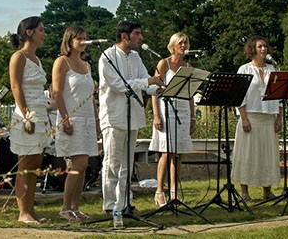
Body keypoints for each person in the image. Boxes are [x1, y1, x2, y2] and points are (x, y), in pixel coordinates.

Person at [98, 21, 164, 214]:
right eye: (137, 33)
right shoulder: (107, 56)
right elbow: (118, 85)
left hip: (133, 116)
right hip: (113, 116)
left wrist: (159, 88)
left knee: (127, 164)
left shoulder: (136, 57)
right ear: (124, 36)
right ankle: (110, 206)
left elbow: (145, 83)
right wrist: (147, 82)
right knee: (112, 162)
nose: (141, 37)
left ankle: (125, 203)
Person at [52, 26, 100, 222]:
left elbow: (90, 97)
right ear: (69, 40)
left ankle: (75, 207)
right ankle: (65, 207)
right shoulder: (61, 62)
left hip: (88, 118)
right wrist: (65, 118)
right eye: (79, 38)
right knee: (78, 163)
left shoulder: (87, 65)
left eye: (84, 38)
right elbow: (57, 92)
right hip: (71, 118)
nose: (82, 41)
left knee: (85, 163)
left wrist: (96, 119)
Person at [9, 16, 52, 223]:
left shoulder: (37, 59)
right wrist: (26, 114)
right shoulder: (19, 57)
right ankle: (22, 212)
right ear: (29, 32)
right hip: (26, 114)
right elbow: (16, 86)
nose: (44, 34)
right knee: (25, 163)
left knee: (36, 164)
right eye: (41, 30)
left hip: (42, 113)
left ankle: (30, 209)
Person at [231, 35, 282, 201]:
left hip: (268, 118)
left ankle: (267, 191)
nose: (263, 49)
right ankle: (244, 192)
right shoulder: (244, 69)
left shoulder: (272, 70)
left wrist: (279, 118)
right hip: (250, 117)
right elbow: (238, 97)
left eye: (265, 46)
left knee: (267, 154)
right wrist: (244, 118)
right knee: (247, 154)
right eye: (260, 46)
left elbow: (281, 96)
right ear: (252, 49)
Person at [149, 32, 196, 206]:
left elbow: (190, 94)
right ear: (173, 45)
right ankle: (159, 191)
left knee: (178, 154)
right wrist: (156, 115)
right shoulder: (164, 63)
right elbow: (154, 90)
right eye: (180, 43)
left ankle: (174, 192)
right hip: (165, 110)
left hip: (183, 111)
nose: (183, 46)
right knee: (166, 152)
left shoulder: (188, 66)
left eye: (186, 43)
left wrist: (192, 117)